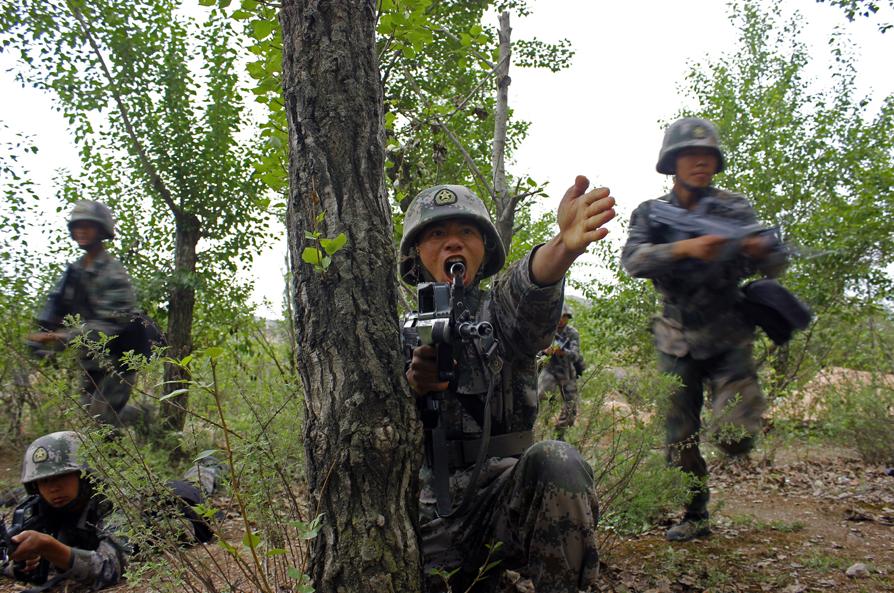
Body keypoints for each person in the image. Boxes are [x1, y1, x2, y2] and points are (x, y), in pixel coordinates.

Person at [401, 177, 615, 593]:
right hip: (426, 515)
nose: (453, 243)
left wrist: (563, 247)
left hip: (504, 500)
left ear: (484, 247)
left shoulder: (498, 312)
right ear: (417, 253)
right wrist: (413, 385)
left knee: (558, 459)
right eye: (437, 233)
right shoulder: (395, 332)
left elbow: (529, 287)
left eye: (466, 231)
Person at [621, 118, 789, 542]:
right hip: (676, 336)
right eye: (691, 155)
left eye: (709, 156)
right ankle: (696, 514)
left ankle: (742, 418)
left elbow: (773, 263)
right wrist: (685, 248)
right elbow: (633, 261)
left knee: (733, 438)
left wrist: (758, 250)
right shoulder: (651, 212)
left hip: (729, 331)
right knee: (678, 440)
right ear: (672, 162)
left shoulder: (734, 208)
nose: (701, 161)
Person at [28, 200, 138, 427]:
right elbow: (56, 307)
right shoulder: (75, 272)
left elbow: (112, 326)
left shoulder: (113, 272)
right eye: (78, 226)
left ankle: (112, 460)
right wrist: (44, 336)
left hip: (118, 357)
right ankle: (142, 418)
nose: (81, 231)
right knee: (93, 410)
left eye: (88, 225)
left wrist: (60, 338)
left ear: (101, 230)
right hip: (90, 359)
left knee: (103, 420)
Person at [2, 431, 129, 590]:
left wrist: (48, 547)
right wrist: (20, 563)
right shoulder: (42, 509)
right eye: (44, 480)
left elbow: (111, 569)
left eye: (62, 476)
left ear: (85, 476)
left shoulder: (116, 502)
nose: (53, 488)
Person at [537, 303, 585, 437]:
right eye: (559, 316)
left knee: (570, 406)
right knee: (540, 395)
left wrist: (563, 352)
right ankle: (540, 422)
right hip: (549, 370)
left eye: (564, 317)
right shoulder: (546, 331)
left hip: (567, 371)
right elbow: (536, 351)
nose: (561, 319)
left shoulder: (572, 333)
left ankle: (560, 434)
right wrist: (545, 351)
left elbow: (575, 355)